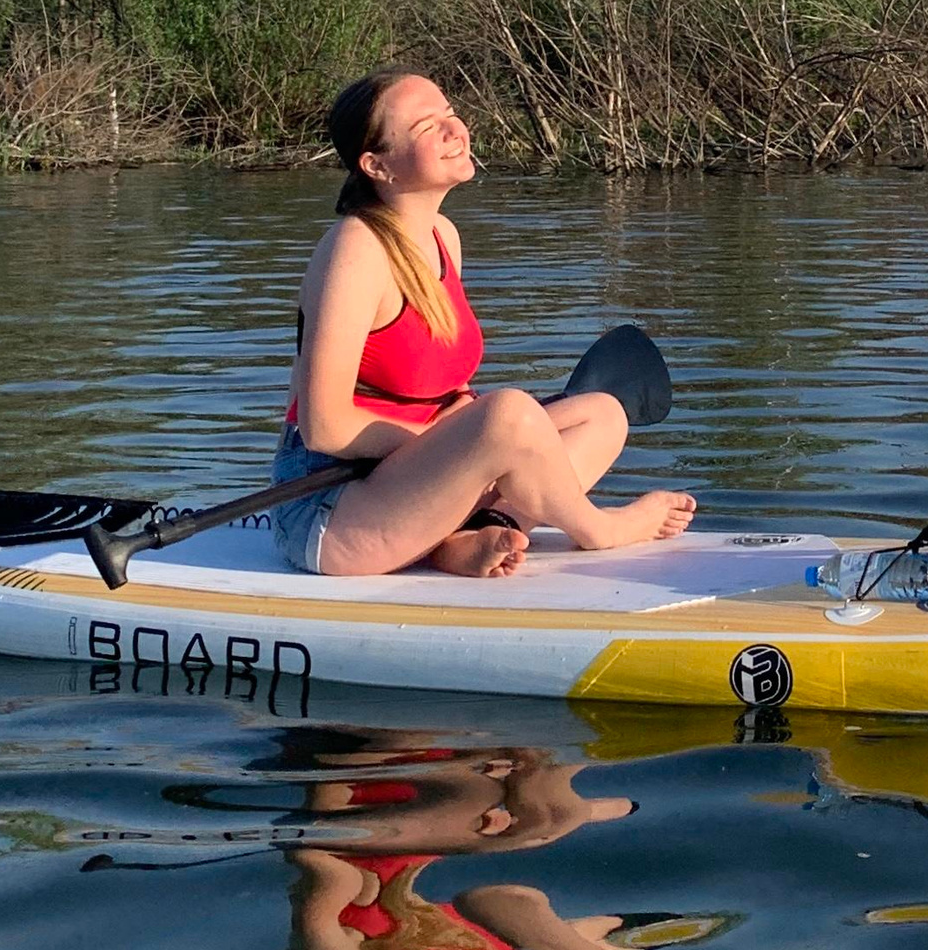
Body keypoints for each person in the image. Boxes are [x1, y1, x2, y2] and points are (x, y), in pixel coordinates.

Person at [270, 68, 695, 579]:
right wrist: (468, 441)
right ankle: (600, 530)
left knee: (602, 414)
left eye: (450, 114)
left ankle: (472, 533)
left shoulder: (443, 236)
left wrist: (469, 438)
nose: (456, 130)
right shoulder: (356, 249)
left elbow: (447, 386)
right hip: (329, 509)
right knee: (509, 416)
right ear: (377, 165)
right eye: (428, 127)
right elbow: (325, 428)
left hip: (410, 482)